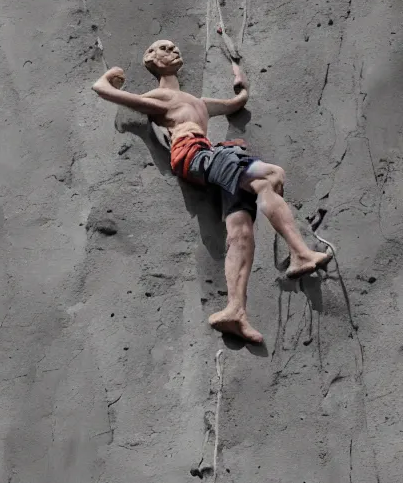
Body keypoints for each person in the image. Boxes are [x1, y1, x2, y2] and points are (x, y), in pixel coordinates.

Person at [91, 39, 332, 344]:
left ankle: (235, 311)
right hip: (195, 155)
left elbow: (235, 104)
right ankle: (299, 253)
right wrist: (108, 77)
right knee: (271, 175)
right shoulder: (161, 96)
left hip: (208, 159)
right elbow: (106, 92)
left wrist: (240, 84)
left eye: (174, 47)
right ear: (150, 57)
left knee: (240, 229)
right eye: (164, 48)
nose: (173, 50)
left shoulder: (197, 101)